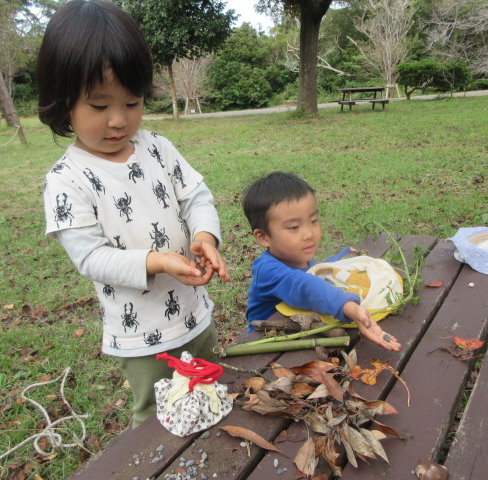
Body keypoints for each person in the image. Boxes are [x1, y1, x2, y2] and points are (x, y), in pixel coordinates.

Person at [37, 0, 229, 428]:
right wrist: (157, 262)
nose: (119, 121)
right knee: (158, 421)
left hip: (195, 312)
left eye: (133, 101)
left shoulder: (158, 147)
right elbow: (91, 258)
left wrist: (205, 236)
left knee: (209, 395)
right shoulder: (67, 179)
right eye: (99, 106)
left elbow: (197, 197)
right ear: (62, 101)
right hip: (142, 337)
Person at [242, 171, 401, 352]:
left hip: (303, 333)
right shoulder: (267, 269)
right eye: (294, 227)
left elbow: (318, 271)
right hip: (269, 345)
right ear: (263, 237)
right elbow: (306, 285)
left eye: (313, 221)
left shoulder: (299, 256)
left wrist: (341, 258)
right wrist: (349, 307)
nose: (309, 234)